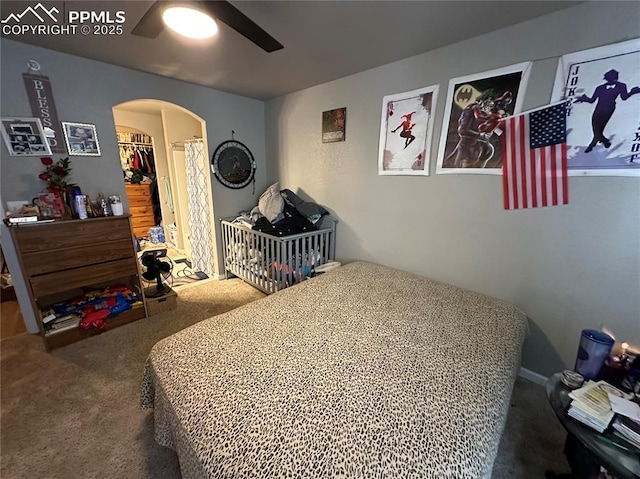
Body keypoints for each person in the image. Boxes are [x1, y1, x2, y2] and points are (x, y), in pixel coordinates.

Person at [574, 69, 640, 153]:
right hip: (598, 109)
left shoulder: (621, 86)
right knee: (596, 127)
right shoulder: (600, 88)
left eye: (613, 78)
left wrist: (633, 92)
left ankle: (594, 144)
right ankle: (604, 141)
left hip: (609, 109)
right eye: (608, 78)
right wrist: (583, 98)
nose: (611, 80)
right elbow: (592, 100)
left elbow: (624, 97)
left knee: (600, 128)